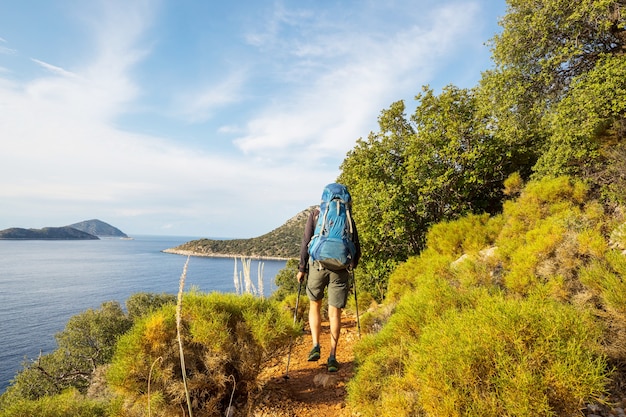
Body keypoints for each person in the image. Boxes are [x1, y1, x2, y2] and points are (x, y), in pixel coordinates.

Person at [296, 183, 361, 372]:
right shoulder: (347, 215)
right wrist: (352, 264)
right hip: (340, 268)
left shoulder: (316, 213)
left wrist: (302, 268)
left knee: (314, 304)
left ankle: (315, 345)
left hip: (317, 265)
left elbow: (306, 241)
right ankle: (333, 356)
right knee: (335, 313)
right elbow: (355, 243)